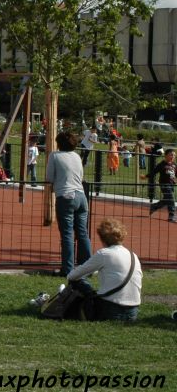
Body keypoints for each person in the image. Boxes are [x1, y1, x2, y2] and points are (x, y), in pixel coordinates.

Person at [67, 218, 142, 321]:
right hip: (133, 312)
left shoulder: (104, 254)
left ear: (102, 238)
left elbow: (72, 276)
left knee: (79, 282)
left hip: (111, 310)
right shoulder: (133, 255)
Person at [46, 131, 92, 277]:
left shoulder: (54, 155)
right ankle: (87, 267)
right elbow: (81, 175)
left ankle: (68, 269)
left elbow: (49, 177)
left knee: (67, 234)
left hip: (66, 196)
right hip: (81, 196)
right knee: (82, 233)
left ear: (59, 143)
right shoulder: (77, 156)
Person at [145, 148, 175, 222]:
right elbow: (154, 172)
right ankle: (171, 216)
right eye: (171, 155)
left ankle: (154, 206)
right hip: (164, 184)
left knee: (166, 200)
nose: (173, 156)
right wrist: (146, 176)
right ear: (165, 156)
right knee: (171, 199)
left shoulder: (174, 165)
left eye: (174, 155)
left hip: (171, 185)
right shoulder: (161, 164)